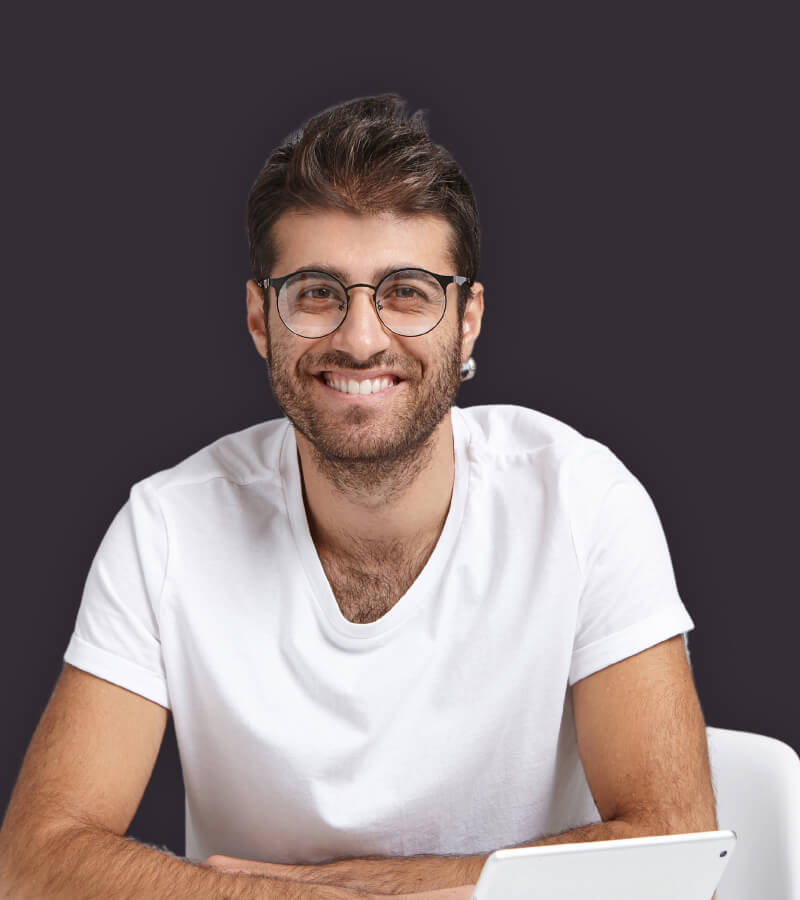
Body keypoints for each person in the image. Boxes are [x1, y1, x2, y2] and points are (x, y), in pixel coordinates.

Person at [0, 93, 717, 899]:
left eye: (407, 290)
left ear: (467, 320)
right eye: (316, 291)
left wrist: (353, 889)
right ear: (260, 320)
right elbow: (34, 861)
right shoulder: (167, 528)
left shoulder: (582, 503)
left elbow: (678, 847)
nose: (362, 337)